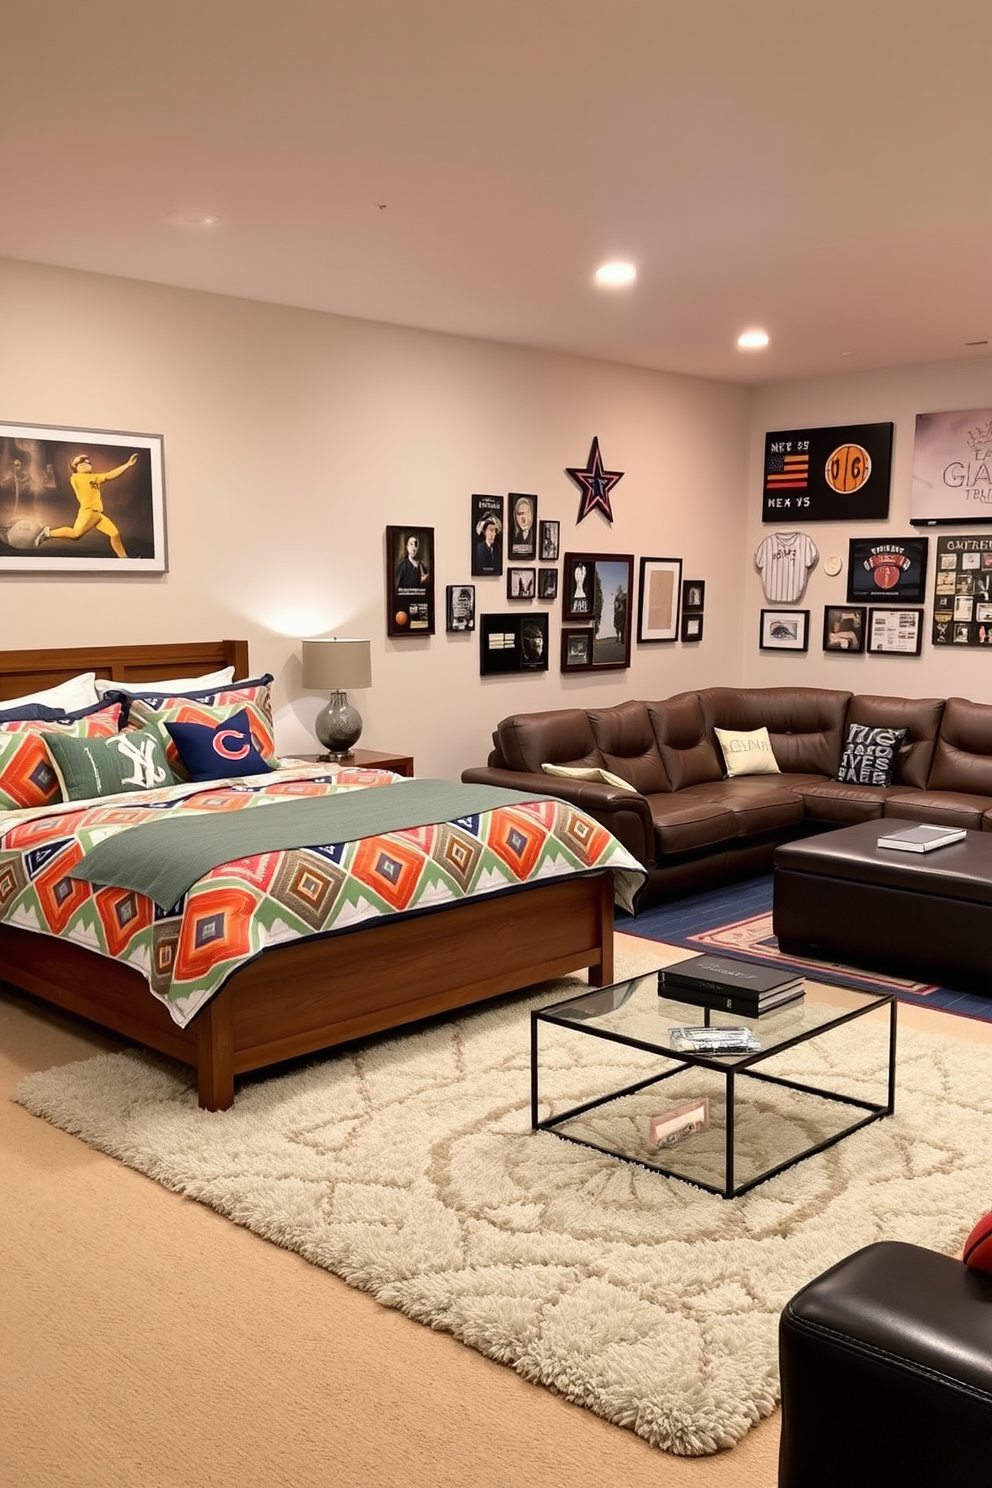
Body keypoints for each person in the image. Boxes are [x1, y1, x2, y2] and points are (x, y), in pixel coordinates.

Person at [35, 451, 137, 558]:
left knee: (114, 534)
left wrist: (127, 465)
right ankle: (48, 533)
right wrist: (78, 461)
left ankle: (125, 559)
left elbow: (109, 475)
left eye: (87, 462)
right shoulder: (76, 478)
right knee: (75, 534)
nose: (86, 464)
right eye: (81, 464)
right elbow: (75, 467)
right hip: (88, 511)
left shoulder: (94, 477)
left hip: (98, 514)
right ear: (76, 468)